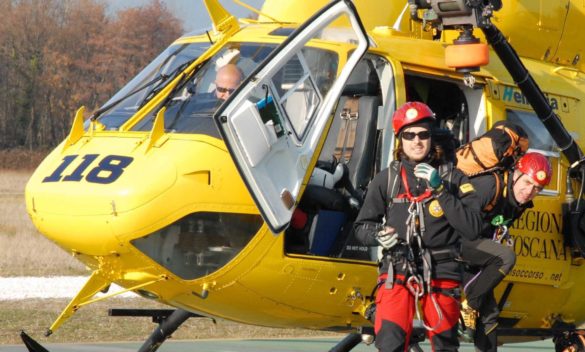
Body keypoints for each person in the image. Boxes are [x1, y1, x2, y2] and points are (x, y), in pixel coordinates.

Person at [354, 101, 483, 352]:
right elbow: (361, 227)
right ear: (400, 140)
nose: (416, 141)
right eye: (409, 135)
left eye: (423, 134)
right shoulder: (387, 179)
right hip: (397, 269)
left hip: (442, 272)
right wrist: (378, 236)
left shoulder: (453, 179)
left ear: (431, 137)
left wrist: (441, 191)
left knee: (445, 346)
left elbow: (473, 228)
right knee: (389, 343)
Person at [460, 152, 552, 352]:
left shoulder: (519, 203)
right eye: (527, 182)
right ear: (516, 174)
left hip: (475, 252)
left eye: (537, 188)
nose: (529, 191)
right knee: (506, 257)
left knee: (490, 314)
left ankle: (474, 305)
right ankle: (471, 304)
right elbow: (457, 218)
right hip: (453, 242)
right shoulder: (489, 186)